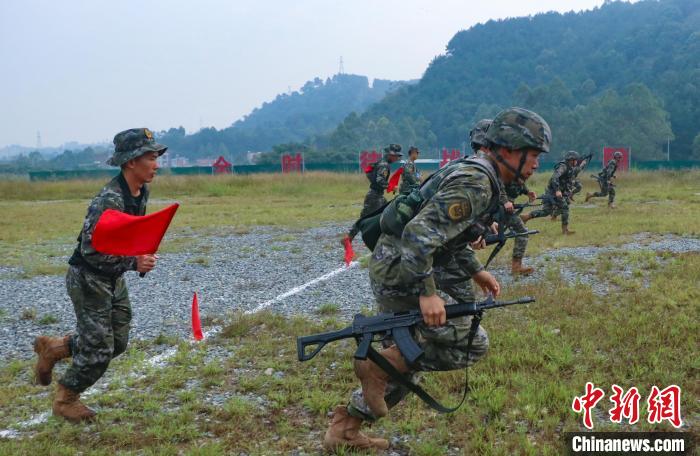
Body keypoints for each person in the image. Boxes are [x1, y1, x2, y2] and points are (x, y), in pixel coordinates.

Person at [323, 107, 551, 451]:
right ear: (507, 150)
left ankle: (346, 429)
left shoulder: (479, 173)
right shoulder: (476, 182)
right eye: (532, 155)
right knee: (470, 342)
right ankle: (376, 370)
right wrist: (428, 293)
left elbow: (447, 236)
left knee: (409, 354)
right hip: (402, 272)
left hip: (401, 265)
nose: (536, 164)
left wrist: (475, 270)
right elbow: (419, 233)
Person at [32, 128, 165, 422]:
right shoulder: (109, 200)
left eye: (157, 157)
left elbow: (127, 236)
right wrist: (134, 263)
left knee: (117, 341)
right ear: (131, 161)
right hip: (89, 278)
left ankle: (54, 348)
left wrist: (139, 254)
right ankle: (66, 399)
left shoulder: (140, 191)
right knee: (98, 351)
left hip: (111, 276)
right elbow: (92, 251)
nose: (156, 164)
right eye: (151, 157)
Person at [470, 119, 537, 274]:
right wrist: (504, 202)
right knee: (520, 231)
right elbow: (498, 185)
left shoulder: (487, 164)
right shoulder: (481, 165)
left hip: (494, 209)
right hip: (498, 207)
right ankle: (516, 267)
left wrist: (526, 192)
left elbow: (513, 180)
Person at [344, 144, 402, 243]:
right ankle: (349, 238)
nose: (397, 158)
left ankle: (384, 238)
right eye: (396, 156)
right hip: (374, 197)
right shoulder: (384, 165)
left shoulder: (379, 162)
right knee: (365, 218)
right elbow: (379, 180)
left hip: (376, 195)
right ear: (390, 155)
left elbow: (370, 174)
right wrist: (391, 187)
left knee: (386, 213)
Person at [522, 150, 579, 235]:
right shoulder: (563, 166)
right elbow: (554, 178)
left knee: (546, 211)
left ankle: (526, 216)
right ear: (571, 160)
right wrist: (557, 190)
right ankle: (565, 230)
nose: (576, 162)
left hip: (556, 193)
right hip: (553, 193)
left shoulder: (570, 168)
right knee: (565, 208)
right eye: (575, 160)